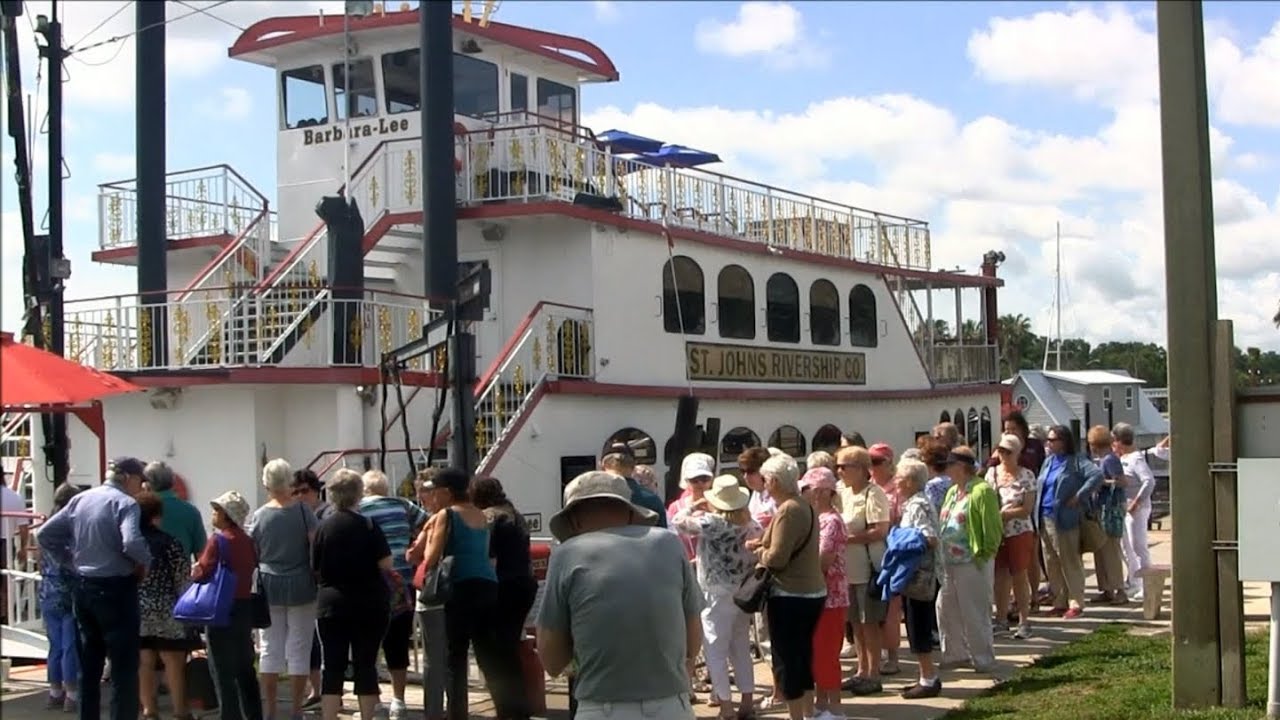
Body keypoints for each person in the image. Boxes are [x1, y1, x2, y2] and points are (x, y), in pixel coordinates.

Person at [537, 471, 699, 720]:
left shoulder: (568, 553)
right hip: (671, 705)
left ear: (575, 521)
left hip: (602, 707)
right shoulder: (669, 543)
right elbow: (693, 634)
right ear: (630, 512)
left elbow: (551, 659)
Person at [37, 456, 151, 720]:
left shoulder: (80, 499)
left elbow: (45, 535)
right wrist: (145, 561)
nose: (142, 486)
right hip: (116, 588)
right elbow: (132, 542)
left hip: (84, 587)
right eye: (140, 480)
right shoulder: (125, 503)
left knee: (89, 664)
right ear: (128, 478)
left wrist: (69, 560)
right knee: (123, 667)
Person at [670, 475, 762, 720]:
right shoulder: (751, 524)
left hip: (714, 592)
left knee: (715, 649)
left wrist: (693, 506)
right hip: (743, 592)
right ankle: (747, 702)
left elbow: (677, 522)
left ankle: (726, 705)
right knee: (741, 647)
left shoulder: (712, 523)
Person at [418, 468, 505, 720]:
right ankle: (506, 710)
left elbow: (431, 557)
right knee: (488, 654)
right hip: (488, 585)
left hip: (461, 586)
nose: (432, 497)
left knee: (454, 656)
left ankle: (458, 714)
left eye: (434, 492)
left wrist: (425, 541)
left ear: (446, 492)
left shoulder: (447, 515)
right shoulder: (481, 515)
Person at [749, 451, 825, 720]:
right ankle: (807, 712)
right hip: (812, 591)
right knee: (802, 655)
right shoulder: (805, 505)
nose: (764, 484)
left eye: (766, 479)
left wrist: (758, 552)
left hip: (791, 594)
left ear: (775, 481)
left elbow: (777, 558)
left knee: (787, 659)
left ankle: (796, 715)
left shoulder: (788, 510)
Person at [312, 469, 392, 720]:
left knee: (333, 665)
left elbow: (315, 566)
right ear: (359, 494)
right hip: (369, 603)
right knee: (365, 664)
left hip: (331, 603)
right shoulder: (369, 525)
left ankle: (329, 716)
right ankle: (367, 715)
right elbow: (386, 564)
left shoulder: (323, 528)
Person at [248, 459, 318, 720]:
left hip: (269, 585)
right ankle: (297, 710)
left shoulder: (259, 515)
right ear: (289, 479)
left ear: (266, 482)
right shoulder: (303, 512)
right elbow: (314, 545)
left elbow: (254, 551)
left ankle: (271, 710)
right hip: (301, 584)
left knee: (269, 649)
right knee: (299, 648)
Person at [359, 470, 428, 720]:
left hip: (371, 585)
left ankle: (375, 703)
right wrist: (415, 549)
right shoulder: (403, 505)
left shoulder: (359, 510)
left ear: (365, 490)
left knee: (368, 644)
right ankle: (399, 700)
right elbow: (428, 522)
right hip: (402, 583)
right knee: (398, 643)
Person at [472, 476, 537, 720]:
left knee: (492, 653)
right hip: (523, 584)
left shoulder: (489, 517)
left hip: (502, 587)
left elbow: (488, 559)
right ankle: (519, 709)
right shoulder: (513, 513)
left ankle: (506, 708)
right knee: (509, 649)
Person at [194, 491, 263, 720]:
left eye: (217, 510)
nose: (213, 513)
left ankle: (230, 714)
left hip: (220, 607)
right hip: (244, 606)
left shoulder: (219, 540)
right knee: (245, 666)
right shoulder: (248, 541)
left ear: (227, 516)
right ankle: (254, 713)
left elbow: (202, 572)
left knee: (222, 669)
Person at [935, 447, 1002, 673]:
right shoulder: (953, 491)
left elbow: (992, 527)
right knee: (945, 608)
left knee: (974, 610)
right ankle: (955, 654)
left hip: (971, 561)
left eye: (950, 465)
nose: (946, 470)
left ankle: (983, 658)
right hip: (949, 563)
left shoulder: (982, 491)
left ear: (962, 467)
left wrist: (984, 554)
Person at [834, 445, 890, 696]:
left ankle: (873, 673)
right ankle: (860, 670)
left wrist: (847, 538)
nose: (839, 470)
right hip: (847, 570)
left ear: (860, 469)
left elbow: (880, 530)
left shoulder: (874, 493)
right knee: (855, 622)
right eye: (838, 466)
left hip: (868, 568)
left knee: (870, 623)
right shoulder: (841, 493)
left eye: (844, 466)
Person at [1037, 426, 1103, 618]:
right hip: (1045, 516)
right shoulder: (1048, 461)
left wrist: (1079, 496)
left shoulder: (1076, 461)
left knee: (1069, 560)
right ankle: (1059, 601)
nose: (1048, 443)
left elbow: (1096, 476)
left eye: (1052, 440)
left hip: (1065, 518)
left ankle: (1076, 602)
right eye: (1047, 440)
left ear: (1063, 442)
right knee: (1052, 561)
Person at [798, 467, 847, 719]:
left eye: (811, 490)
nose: (807, 495)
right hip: (815, 594)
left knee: (827, 652)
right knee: (815, 650)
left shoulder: (833, 521)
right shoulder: (814, 518)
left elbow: (823, 561)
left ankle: (836, 706)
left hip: (831, 597)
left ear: (825, 492)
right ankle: (821, 701)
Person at [892, 459, 943, 699]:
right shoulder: (916, 502)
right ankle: (924, 676)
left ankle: (929, 678)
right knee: (915, 625)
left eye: (899, 478)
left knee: (918, 626)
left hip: (919, 576)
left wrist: (903, 541)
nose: (896, 482)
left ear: (911, 481)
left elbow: (930, 537)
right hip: (918, 574)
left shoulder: (917, 506)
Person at [407, 469, 449, 720]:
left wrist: (415, 549)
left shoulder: (436, 520)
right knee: (450, 655)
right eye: (419, 491)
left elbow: (421, 555)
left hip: (434, 594)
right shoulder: (462, 515)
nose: (421, 497)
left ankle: (434, 712)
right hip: (454, 592)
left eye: (424, 491)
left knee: (433, 659)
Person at [39, 483, 84, 712]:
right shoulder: (69, 528)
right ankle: (72, 694)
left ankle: (54, 691)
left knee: (54, 645)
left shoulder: (47, 528)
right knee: (70, 645)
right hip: (68, 594)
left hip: (47, 592)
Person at [290, 469, 331, 710]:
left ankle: (323, 689)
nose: (299, 496)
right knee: (306, 640)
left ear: (315, 490)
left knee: (320, 638)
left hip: (321, 582)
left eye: (304, 490)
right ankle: (315, 689)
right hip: (301, 582)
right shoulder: (294, 515)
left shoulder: (327, 513)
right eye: (295, 492)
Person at [1113, 422, 1156, 600]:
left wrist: (1137, 502)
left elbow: (1149, 481)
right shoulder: (1123, 458)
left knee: (1138, 546)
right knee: (1126, 547)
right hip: (1125, 508)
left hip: (1136, 509)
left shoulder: (1136, 458)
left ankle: (1146, 584)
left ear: (1119, 441)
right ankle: (1134, 580)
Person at [143, 462, 206, 560]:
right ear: (173, 482)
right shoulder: (191, 511)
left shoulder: (141, 510)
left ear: (147, 484)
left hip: (150, 572)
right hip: (180, 572)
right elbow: (201, 552)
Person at [601, 443, 667, 528]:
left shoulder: (592, 500)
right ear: (633, 467)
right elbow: (663, 537)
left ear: (602, 466)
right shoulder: (652, 500)